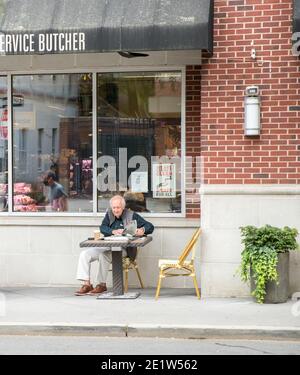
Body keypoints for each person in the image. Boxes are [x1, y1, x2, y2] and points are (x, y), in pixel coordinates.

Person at [75, 195, 154, 296]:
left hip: (124, 248)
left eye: (118, 207)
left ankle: (101, 285)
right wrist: (113, 231)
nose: (116, 210)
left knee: (104, 255)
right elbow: (103, 227)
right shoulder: (109, 215)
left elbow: (150, 226)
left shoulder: (131, 215)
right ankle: (87, 284)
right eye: (114, 208)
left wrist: (142, 230)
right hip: (108, 244)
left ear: (123, 207)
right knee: (84, 254)